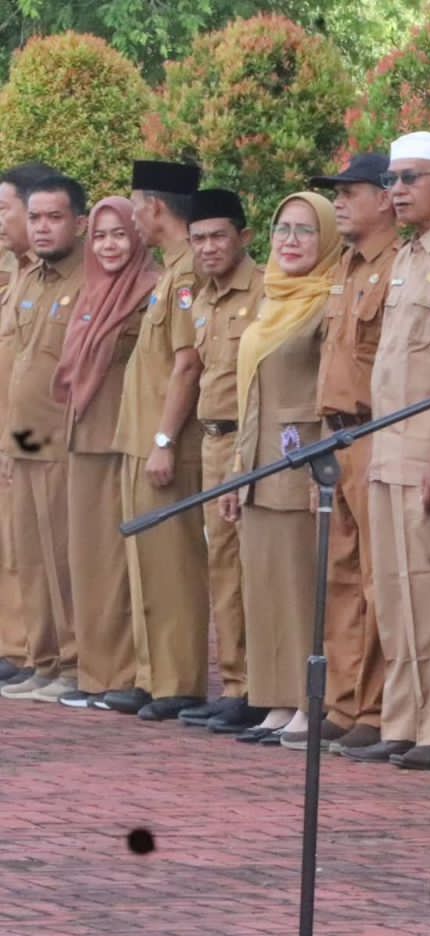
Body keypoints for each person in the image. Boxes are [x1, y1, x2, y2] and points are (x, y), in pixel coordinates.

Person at [340, 131, 430, 770]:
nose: (396, 191)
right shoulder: (409, 254)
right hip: (387, 446)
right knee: (393, 594)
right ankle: (405, 719)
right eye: (392, 180)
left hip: (429, 449)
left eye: (410, 179)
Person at [219, 192, 340, 745]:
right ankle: (272, 698)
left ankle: (304, 701)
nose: (290, 242)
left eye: (305, 231)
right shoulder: (272, 299)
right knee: (263, 586)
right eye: (283, 229)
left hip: (302, 460)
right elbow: (248, 395)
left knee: (298, 588)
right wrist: (237, 470)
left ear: (329, 238)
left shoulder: (327, 299)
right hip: (259, 461)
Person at [303, 152, 398, 753]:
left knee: (374, 579)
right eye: (334, 192)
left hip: (376, 430)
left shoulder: (399, 266)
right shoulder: (344, 264)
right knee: (338, 576)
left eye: (350, 191)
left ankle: (377, 707)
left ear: (386, 198)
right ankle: (342, 700)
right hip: (333, 435)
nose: (339, 200)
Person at [108, 160, 209, 721]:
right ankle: (151, 676)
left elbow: (188, 364)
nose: (132, 216)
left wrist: (166, 437)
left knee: (172, 564)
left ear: (154, 207)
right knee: (146, 560)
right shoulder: (171, 271)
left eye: (135, 205)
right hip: (141, 437)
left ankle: (178, 681)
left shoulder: (190, 269)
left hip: (165, 441)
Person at [50, 196, 156, 710]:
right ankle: (91, 672)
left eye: (119, 234)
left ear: (138, 237)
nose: (109, 245)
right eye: (101, 236)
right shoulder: (91, 294)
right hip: (82, 436)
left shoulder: (148, 290)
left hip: (122, 439)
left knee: (118, 564)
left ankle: (122, 674)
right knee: (87, 561)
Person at [179, 189, 266, 735]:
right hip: (210, 441)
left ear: (244, 238)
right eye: (199, 239)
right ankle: (235, 683)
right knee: (222, 567)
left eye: (218, 237)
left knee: (250, 568)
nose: (208, 248)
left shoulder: (263, 291)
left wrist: (242, 454)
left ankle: (259, 685)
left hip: (246, 442)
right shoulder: (202, 297)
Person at [0, 174, 86, 704]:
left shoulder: (88, 281)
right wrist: (13, 445)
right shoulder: (32, 280)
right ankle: (45, 657)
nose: (44, 228)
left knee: (60, 554)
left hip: (63, 437)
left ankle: (74, 663)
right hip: (27, 436)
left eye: (55, 218)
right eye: (36, 218)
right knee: (30, 551)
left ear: (79, 220)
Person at [0, 162, 59, 686]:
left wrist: (16, 442)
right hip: (11, 427)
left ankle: (23, 648)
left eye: (5, 208)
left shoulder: (47, 276)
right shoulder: (19, 273)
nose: (0, 220)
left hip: (32, 431)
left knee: (25, 540)